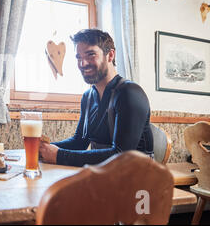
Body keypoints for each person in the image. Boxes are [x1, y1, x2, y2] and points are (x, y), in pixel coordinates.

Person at [39, 29, 153, 167]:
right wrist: (43, 149)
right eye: (79, 57)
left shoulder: (130, 93)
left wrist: (58, 155)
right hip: (104, 176)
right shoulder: (88, 97)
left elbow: (121, 155)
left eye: (90, 55)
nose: (83, 63)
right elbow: (79, 142)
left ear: (110, 55)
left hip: (138, 181)